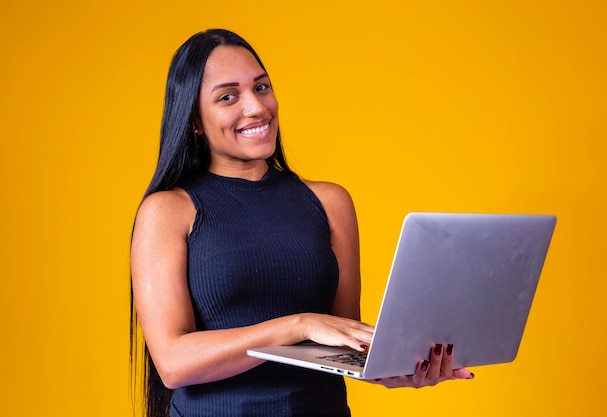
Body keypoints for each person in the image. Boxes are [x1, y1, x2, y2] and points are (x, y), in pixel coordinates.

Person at [130, 28, 472, 417]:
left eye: (261, 87)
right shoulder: (169, 211)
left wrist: (396, 367)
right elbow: (173, 363)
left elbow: (340, 345)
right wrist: (298, 326)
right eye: (228, 96)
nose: (257, 108)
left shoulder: (329, 202)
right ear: (194, 121)